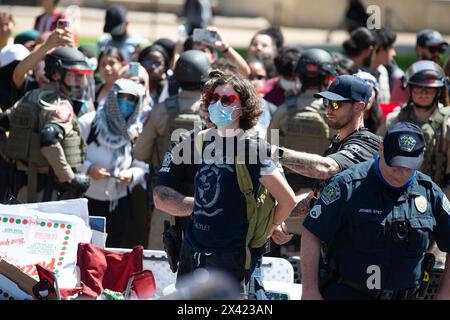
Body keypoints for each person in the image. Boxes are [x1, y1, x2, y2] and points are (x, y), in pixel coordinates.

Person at [156, 69, 296, 298]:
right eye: (213, 98)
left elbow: (287, 200)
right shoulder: (195, 143)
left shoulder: (252, 149)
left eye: (227, 99)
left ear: (243, 107)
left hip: (234, 260)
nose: (218, 104)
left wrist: (268, 227)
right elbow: (161, 195)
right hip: (193, 255)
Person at [301, 122, 450, 300]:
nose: (400, 173)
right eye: (395, 164)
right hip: (349, 294)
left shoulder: (429, 193)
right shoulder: (348, 185)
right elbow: (312, 233)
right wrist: (309, 290)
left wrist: (444, 294)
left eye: (409, 167)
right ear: (381, 150)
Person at [274, 75, 382, 218]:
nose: (329, 109)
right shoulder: (337, 142)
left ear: (358, 107)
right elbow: (313, 198)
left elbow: (326, 168)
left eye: (336, 104)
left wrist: (271, 153)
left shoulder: (366, 144)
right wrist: (274, 219)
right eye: (327, 102)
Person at [134, 50, 211, 249]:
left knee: (161, 262)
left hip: (167, 198)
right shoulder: (214, 111)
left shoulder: (161, 110)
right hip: (207, 202)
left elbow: (139, 153)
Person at [0, 47, 92, 203]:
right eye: (73, 76)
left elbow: (3, 122)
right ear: (56, 74)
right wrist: (69, 178)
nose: (79, 82)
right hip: (49, 192)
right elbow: (49, 139)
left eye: (80, 77)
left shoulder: (31, 96)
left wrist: (10, 156)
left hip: (20, 188)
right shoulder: (61, 105)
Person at [79, 78, 147, 248]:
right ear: (112, 96)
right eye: (121, 96)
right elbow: (72, 157)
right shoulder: (89, 122)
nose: (126, 102)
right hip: (87, 198)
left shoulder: (136, 130)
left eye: (131, 99)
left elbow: (142, 165)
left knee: (114, 250)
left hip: (119, 201)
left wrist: (131, 175)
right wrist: (89, 169)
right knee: (86, 249)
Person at [269, 48, 336, 193]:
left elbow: (270, 149)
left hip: (288, 189)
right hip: (322, 192)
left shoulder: (283, 110)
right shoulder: (333, 113)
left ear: (299, 77)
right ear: (327, 78)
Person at [378, 60, 450, 190]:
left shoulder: (447, 124)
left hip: (437, 194)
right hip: (396, 191)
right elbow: (376, 157)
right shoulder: (393, 121)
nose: (423, 93)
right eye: (418, 88)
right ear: (410, 89)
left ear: (438, 91)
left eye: (429, 89)